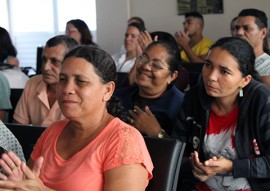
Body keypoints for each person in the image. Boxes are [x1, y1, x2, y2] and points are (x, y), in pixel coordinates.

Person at [0, 45, 153, 191]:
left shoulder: (124, 140)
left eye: (80, 81)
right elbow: (28, 185)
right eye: (63, 79)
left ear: (107, 90)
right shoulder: (53, 131)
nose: (67, 89)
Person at [173, 37, 270, 191]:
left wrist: (232, 166)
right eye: (208, 65)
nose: (211, 77)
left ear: (245, 80)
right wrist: (196, 167)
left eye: (224, 71)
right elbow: (177, 152)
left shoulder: (261, 100)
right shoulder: (193, 98)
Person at [115, 41, 184, 137]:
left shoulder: (182, 106)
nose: (146, 66)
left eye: (156, 65)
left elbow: (184, 149)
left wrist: (158, 133)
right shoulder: (118, 96)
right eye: (143, 58)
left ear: (172, 76)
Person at [13, 35, 78, 127]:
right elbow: (19, 128)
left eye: (54, 61)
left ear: (71, 63)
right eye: (44, 60)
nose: (45, 67)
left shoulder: (79, 91)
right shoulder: (32, 83)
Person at [235, 8, 270, 87]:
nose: (239, 32)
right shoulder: (228, 61)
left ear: (263, 33)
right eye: (237, 28)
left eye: (247, 28)